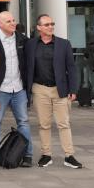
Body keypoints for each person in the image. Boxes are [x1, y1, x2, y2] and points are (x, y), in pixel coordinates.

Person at [25, 15, 82, 169]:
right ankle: (46, 155)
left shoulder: (64, 44)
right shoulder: (30, 45)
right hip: (39, 89)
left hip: (60, 89)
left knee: (64, 124)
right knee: (44, 124)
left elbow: (71, 67)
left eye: (52, 24)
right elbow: (26, 67)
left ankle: (69, 156)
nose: (50, 27)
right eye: (46, 24)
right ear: (39, 27)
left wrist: (73, 89)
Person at [0, 11, 33, 168]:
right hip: (0, 89)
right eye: (9, 21)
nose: (13, 23)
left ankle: (27, 155)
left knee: (23, 122)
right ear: (0, 24)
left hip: (19, 89)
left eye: (13, 20)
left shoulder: (22, 39)